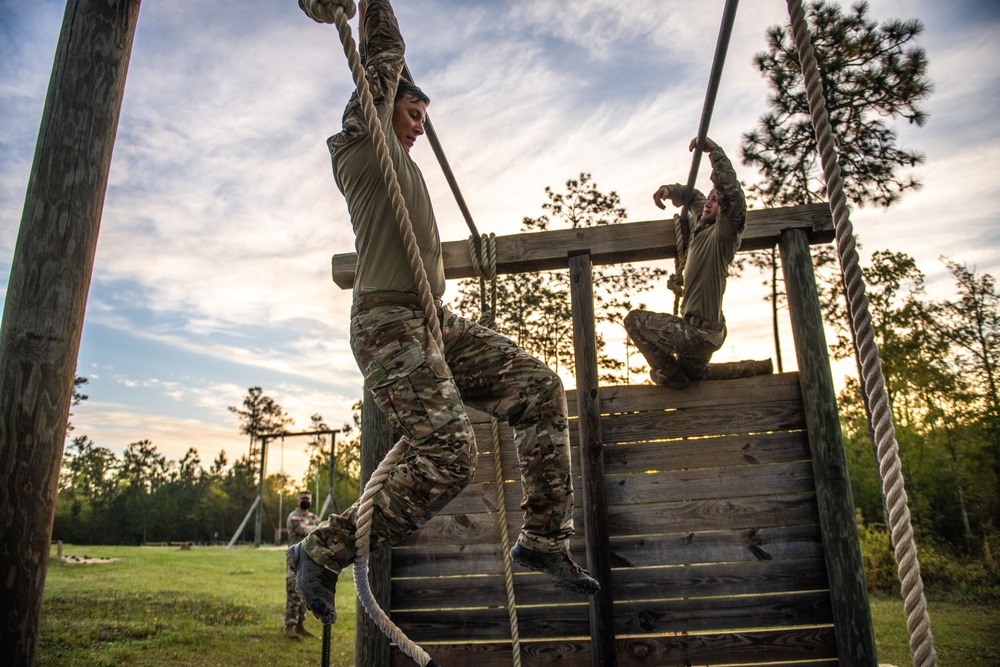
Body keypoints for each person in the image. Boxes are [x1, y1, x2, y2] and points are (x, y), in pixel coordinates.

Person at [288, 0, 599, 626]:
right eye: (412, 111)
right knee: (452, 455)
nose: (419, 126)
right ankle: (319, 548)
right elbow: (384, 57)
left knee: (540, 386)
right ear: (379, 107)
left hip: (434, 322)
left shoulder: (406, 169)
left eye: (425, 116)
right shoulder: (361, 146)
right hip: (388, 326)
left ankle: (543, 539)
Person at [624, 136, 747, 389]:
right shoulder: (704, 224)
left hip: (696, 334)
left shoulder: (723, 235)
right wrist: (670, 191)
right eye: (710, 199)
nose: (710, 203)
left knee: (633, 321)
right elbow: (694, 197)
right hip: (707, 334)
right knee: (694, 377)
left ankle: (670, 375)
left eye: (716, 200)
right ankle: (750, 368)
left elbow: (732, 199)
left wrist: (715, 153)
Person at [284, 491, 321, 639]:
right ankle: (289, 626)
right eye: (303, 499)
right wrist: (315, 529)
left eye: (308, 499)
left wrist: (314, 529)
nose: (305, 501)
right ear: (298, 500)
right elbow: (302, 530)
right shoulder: (294, 517)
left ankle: (300, 624)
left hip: (309, 559)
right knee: (293, 591)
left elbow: (322, 529)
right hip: (295, 559)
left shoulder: (312, 517)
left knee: (304, 593)